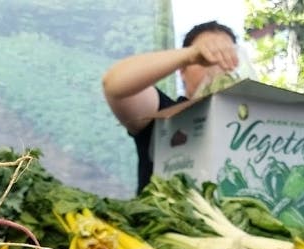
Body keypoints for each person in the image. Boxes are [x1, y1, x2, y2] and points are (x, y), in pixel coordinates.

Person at [102, 20, 240, 195]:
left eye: (227, 56)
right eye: (205, 59)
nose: (217, 66)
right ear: (183, 70)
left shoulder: (251, 128)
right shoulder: (164, 114)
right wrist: (192, 54)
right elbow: (114, 84)